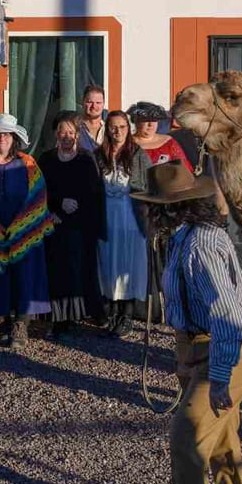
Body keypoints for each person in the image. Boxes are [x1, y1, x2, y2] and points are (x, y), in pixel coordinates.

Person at [134, 162, 242, 484]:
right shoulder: (183, 239)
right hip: (198, 348)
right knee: (221, 442)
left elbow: (226, 315)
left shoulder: (200, 244)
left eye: (152, 207)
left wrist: (221, 375)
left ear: (170, 209)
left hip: (225, 348)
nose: (147, 214)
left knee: (187, 438)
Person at [0, 113, 54, 347]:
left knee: (24, 277)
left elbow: (39, 196)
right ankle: (3, 323)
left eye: (6, 134)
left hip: (23, 232)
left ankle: (21, 325)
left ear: (14, 137)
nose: (1, 139)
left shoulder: (27, 163)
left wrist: (20, 227)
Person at [37, 111, 105, 341]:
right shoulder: (45, 160)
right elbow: (38, 190)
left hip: (79, 223)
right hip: (53, 222)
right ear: (56, 135)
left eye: (70, 132)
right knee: (56, 271)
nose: (66, 136)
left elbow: (94, 193)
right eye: (62, 132)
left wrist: (77, 210)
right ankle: (58, 320)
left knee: (79, 269)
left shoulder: (86, 159)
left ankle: (79, 316)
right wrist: (54, 208)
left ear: (76, 135)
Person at [96, 110, 150, 338]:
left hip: (130, 216)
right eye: (113, 127)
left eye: (122, 127)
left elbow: (148, 185)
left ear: (128, 129)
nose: (118, 132)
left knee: (128, 265)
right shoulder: (99, 155)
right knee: (109, 264)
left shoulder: (137, 154)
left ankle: (127, 315)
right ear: (107, 129)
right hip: (107, 216)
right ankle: (113, 313)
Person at [128, 101, 193, 169]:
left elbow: (184, 168)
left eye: (154, 120)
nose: (150, 125)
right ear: (136, 121)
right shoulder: (126, 143)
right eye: (146, 120)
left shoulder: (169, 142)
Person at [76, 84, 107, 153]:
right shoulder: (74, 128)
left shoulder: (109, 129)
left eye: (98, 103)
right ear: (83, 102)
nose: (94, 106)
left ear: (103, 104)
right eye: (90, 102)